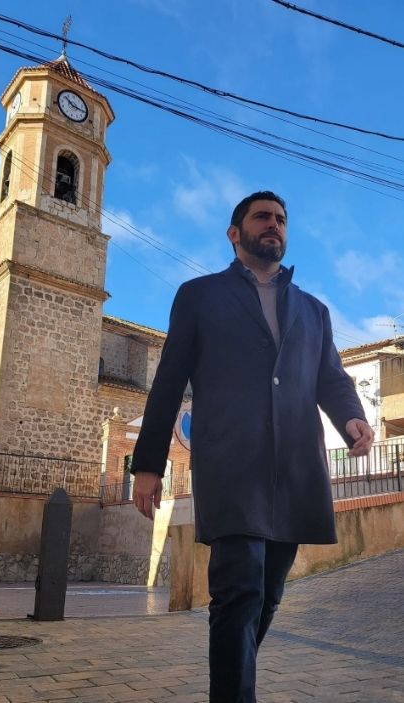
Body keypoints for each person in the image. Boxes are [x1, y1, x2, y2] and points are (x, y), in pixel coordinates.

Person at [131, 191, 372, 703]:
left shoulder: (314, 310)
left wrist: (352, 418)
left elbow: (330, 377)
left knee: (268, 596)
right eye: (262, 217)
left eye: (281, 219)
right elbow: (170, 380)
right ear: (235, 233)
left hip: (295, 468)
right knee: (239, 593)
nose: (274, 225)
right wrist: (148, 464)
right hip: (232, 465)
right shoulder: (200, 295)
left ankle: (232, 686)